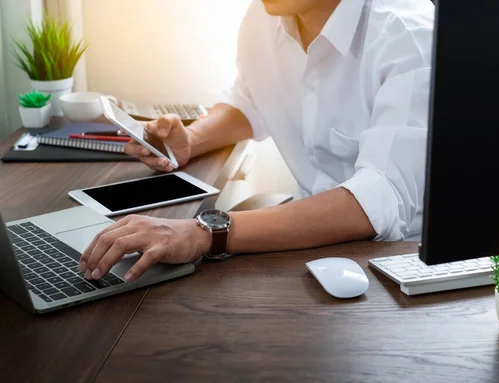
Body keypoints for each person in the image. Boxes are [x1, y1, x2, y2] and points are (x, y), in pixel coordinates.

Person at [78, 0, 435, 282]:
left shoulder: (409, 38)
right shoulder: (264, 17)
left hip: (399, 261)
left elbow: (380, 198)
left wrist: (204, 233)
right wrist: (191, 139)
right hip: (303, 245)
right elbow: (250, 101)